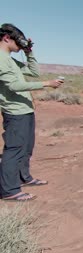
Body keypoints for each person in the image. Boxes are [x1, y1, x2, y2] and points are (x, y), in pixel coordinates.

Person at [0, 23, 63, 201]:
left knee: (26, 148)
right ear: (6, 38)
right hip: (15, 112)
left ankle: (24, 178)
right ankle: (9, 190)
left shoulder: (10, 59)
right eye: (19, 41)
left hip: (25, 111)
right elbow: (14, 86)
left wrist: (29, 52)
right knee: (14, 150)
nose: (20, 45)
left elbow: (34, 72)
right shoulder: (1, 59)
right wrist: (46, 84)